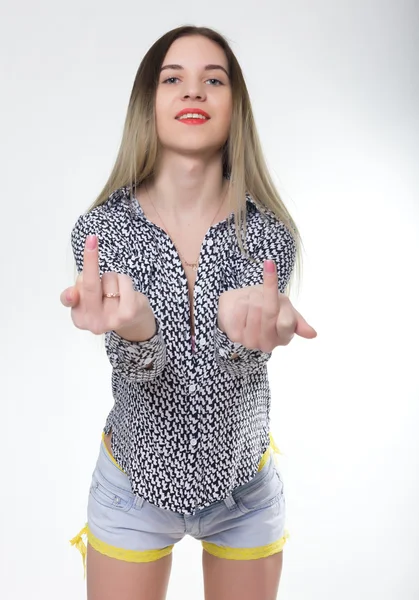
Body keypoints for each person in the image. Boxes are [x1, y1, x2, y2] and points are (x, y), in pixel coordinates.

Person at [61, 25, 317, 600]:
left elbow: (237, 367)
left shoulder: (270, 237)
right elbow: (143, 371)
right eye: (173, 79)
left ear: (236, 107)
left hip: (243, 489)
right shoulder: (100, 233)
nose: (193, 92)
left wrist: (257, 336)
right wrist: (137, 330)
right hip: (133, 483)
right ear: (147, 106)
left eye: (214, 80)